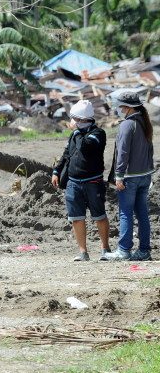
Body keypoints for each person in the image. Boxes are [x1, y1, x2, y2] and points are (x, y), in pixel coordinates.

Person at [52, 100, 110, 261]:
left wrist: (76, 131)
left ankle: (105, 249)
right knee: (76, 218)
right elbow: (66, 155)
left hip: (93, 182)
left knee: (99, 216)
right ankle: (83, 252)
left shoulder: (98, 134)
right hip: (73, 183)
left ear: (84, 119)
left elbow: (86, 147)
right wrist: (56, 171)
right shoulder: (75, 135)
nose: (73, 122)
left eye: (76, 119)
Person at [103, 92, 154, 261]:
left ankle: (124, 250)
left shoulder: (127, 125)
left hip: (129, 177)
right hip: (145, 175)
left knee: (126, 213)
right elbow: (149, 150)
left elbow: (122, 153)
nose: (118, 109)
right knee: (142, 214)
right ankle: (144, 250)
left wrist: (118, 176)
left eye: (119, 106)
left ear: (128, 107)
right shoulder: (144, 122)